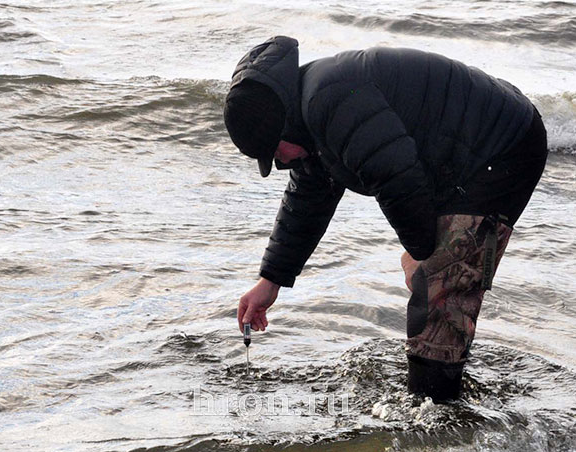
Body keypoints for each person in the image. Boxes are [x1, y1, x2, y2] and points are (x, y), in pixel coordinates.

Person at [224, 36, 547, 403]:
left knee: (440, 283)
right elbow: (306, 203)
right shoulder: (308, 119)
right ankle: (442, 400)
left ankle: (437, 423)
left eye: (274, 152)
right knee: (432, 278)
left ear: (281, 125)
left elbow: (398, 180)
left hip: (501, 147)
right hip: (460, 157)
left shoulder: (330, 100)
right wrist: (271, 281)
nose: (280, 162)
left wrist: (428, 260)